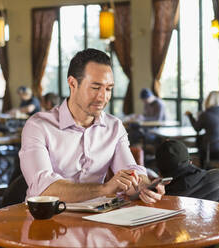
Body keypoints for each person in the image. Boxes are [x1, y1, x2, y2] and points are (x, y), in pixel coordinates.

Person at [19, 48, 165, 203]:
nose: (103, 97)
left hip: (98, 219)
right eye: (95, 87)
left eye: (108, 89)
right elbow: (44, 189)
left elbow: (131, 172)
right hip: (47, 220)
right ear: (72, 83)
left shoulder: (114, 127)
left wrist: (145, 186)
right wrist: (105, 189)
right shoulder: (38, 126)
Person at [185, 91, 219, 165]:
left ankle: (202, 171)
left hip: (215, 152)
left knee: (199, 143)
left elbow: (197, 128)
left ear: (207, 101)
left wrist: (190, 116)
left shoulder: (206, 114)